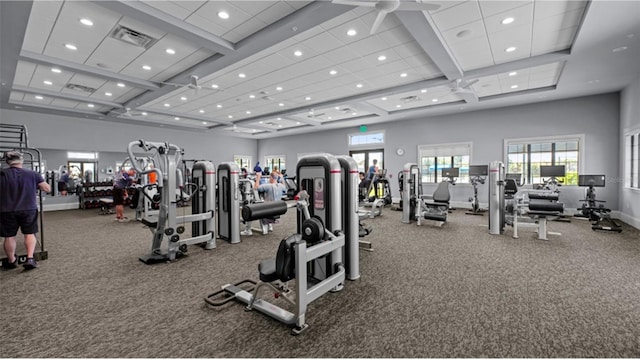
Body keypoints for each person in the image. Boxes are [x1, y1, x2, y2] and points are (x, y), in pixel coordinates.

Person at [1, 151, 51, 270]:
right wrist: (35, 185)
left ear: (8, 162)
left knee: (9, 237)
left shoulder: (2, 174)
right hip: (28, 209)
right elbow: (47, 188)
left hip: (7, 210)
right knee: (29, 234)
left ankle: (11, 260)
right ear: (21, 161)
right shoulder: (33, 174)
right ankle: (30, 259)